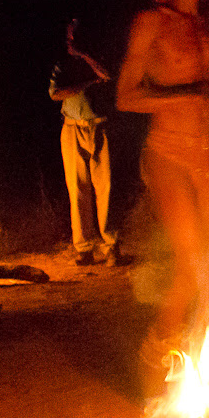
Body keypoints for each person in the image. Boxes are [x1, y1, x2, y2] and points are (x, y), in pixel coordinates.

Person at [115, 0, 209, 394]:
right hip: (168, 152)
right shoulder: (151, 21)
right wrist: (189, 96)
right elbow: (125, 96)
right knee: (192, 264)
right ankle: (155, 361)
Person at [49, 19, 121, 266]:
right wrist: (88, 83)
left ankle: (110, 245)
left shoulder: (98, 60)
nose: (70, 44)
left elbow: (109, 75)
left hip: (99, 127)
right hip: (72, 129)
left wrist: (85, 56)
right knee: (78, 189)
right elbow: (56, 93)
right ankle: (84, 248)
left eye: (74, 39)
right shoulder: (63, 65)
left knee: (105, 187)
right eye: (68, 39)